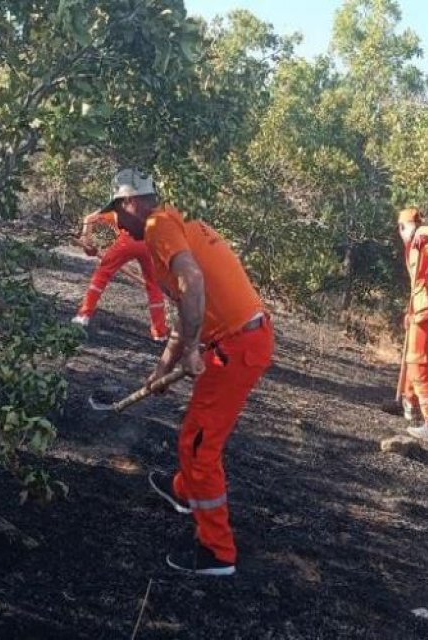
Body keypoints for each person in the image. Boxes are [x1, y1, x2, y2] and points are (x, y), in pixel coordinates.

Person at [100, 168, 273, 577]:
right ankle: (183, 491)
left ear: (130, 204)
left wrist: (193, 349)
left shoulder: (158, 225)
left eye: (118, 215)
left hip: (237, 345)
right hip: (238, 340)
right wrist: (162, 368)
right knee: (197, 436)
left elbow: (193, 282)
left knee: (198, 446)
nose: (119, 226)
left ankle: (217, 553)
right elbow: (186, 308)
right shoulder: (176, 220)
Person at [386, 207, 428, 444]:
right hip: (425, 308)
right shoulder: (410, 249)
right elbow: (418, 284)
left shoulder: (424, 232)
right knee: (415, 357)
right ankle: (408, 402)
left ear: (406, 226)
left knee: (417, 362)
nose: (400, 232)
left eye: (401, 228)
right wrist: (410, 311)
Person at [72, 209, 170, 342]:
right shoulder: (152, 208)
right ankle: (160, 332)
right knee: (154, 285)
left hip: (127, 242)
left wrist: (86, 240)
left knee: (102, 274)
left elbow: (90, 219)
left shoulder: (119, 207)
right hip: (149, 244)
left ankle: (83, 315)